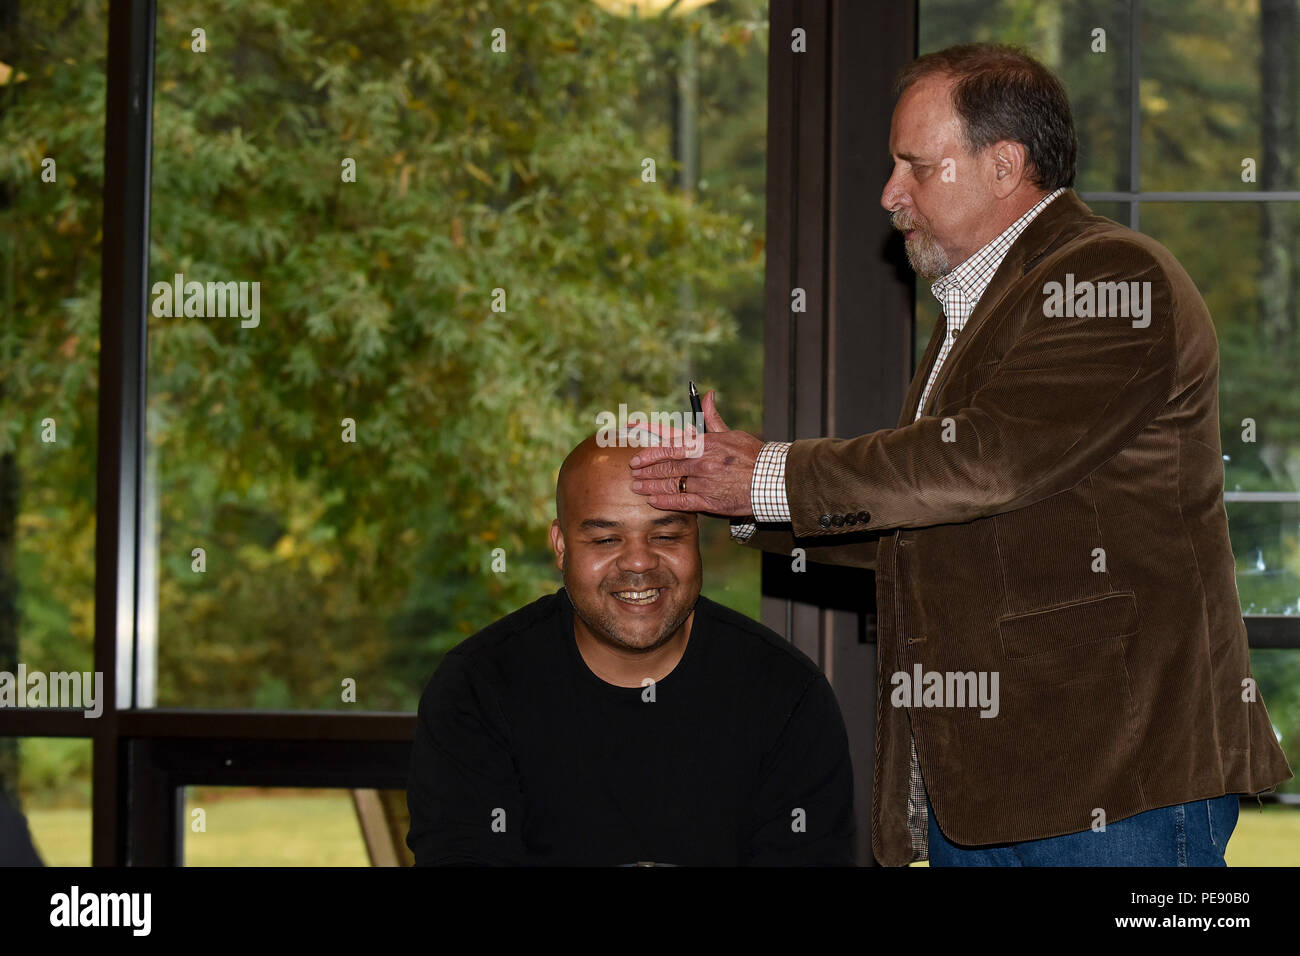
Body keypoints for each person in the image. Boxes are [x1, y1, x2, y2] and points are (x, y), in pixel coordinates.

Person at [626, 42, 1292, 866]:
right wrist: (737, 499)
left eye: (915, 165)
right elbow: (941, 523)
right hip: (988, 793)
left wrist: (769, 475)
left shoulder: (1113, 278)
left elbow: (987, 461)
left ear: (1005, 165)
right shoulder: (974, 315)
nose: (888, 193)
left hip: (1118, 785)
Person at [405, 431, 854, 865]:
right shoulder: (476, 688)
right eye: (605, 539)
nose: (639, 561)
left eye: (665, 536)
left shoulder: (788, 694)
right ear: (561, 547)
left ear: (696, 540)